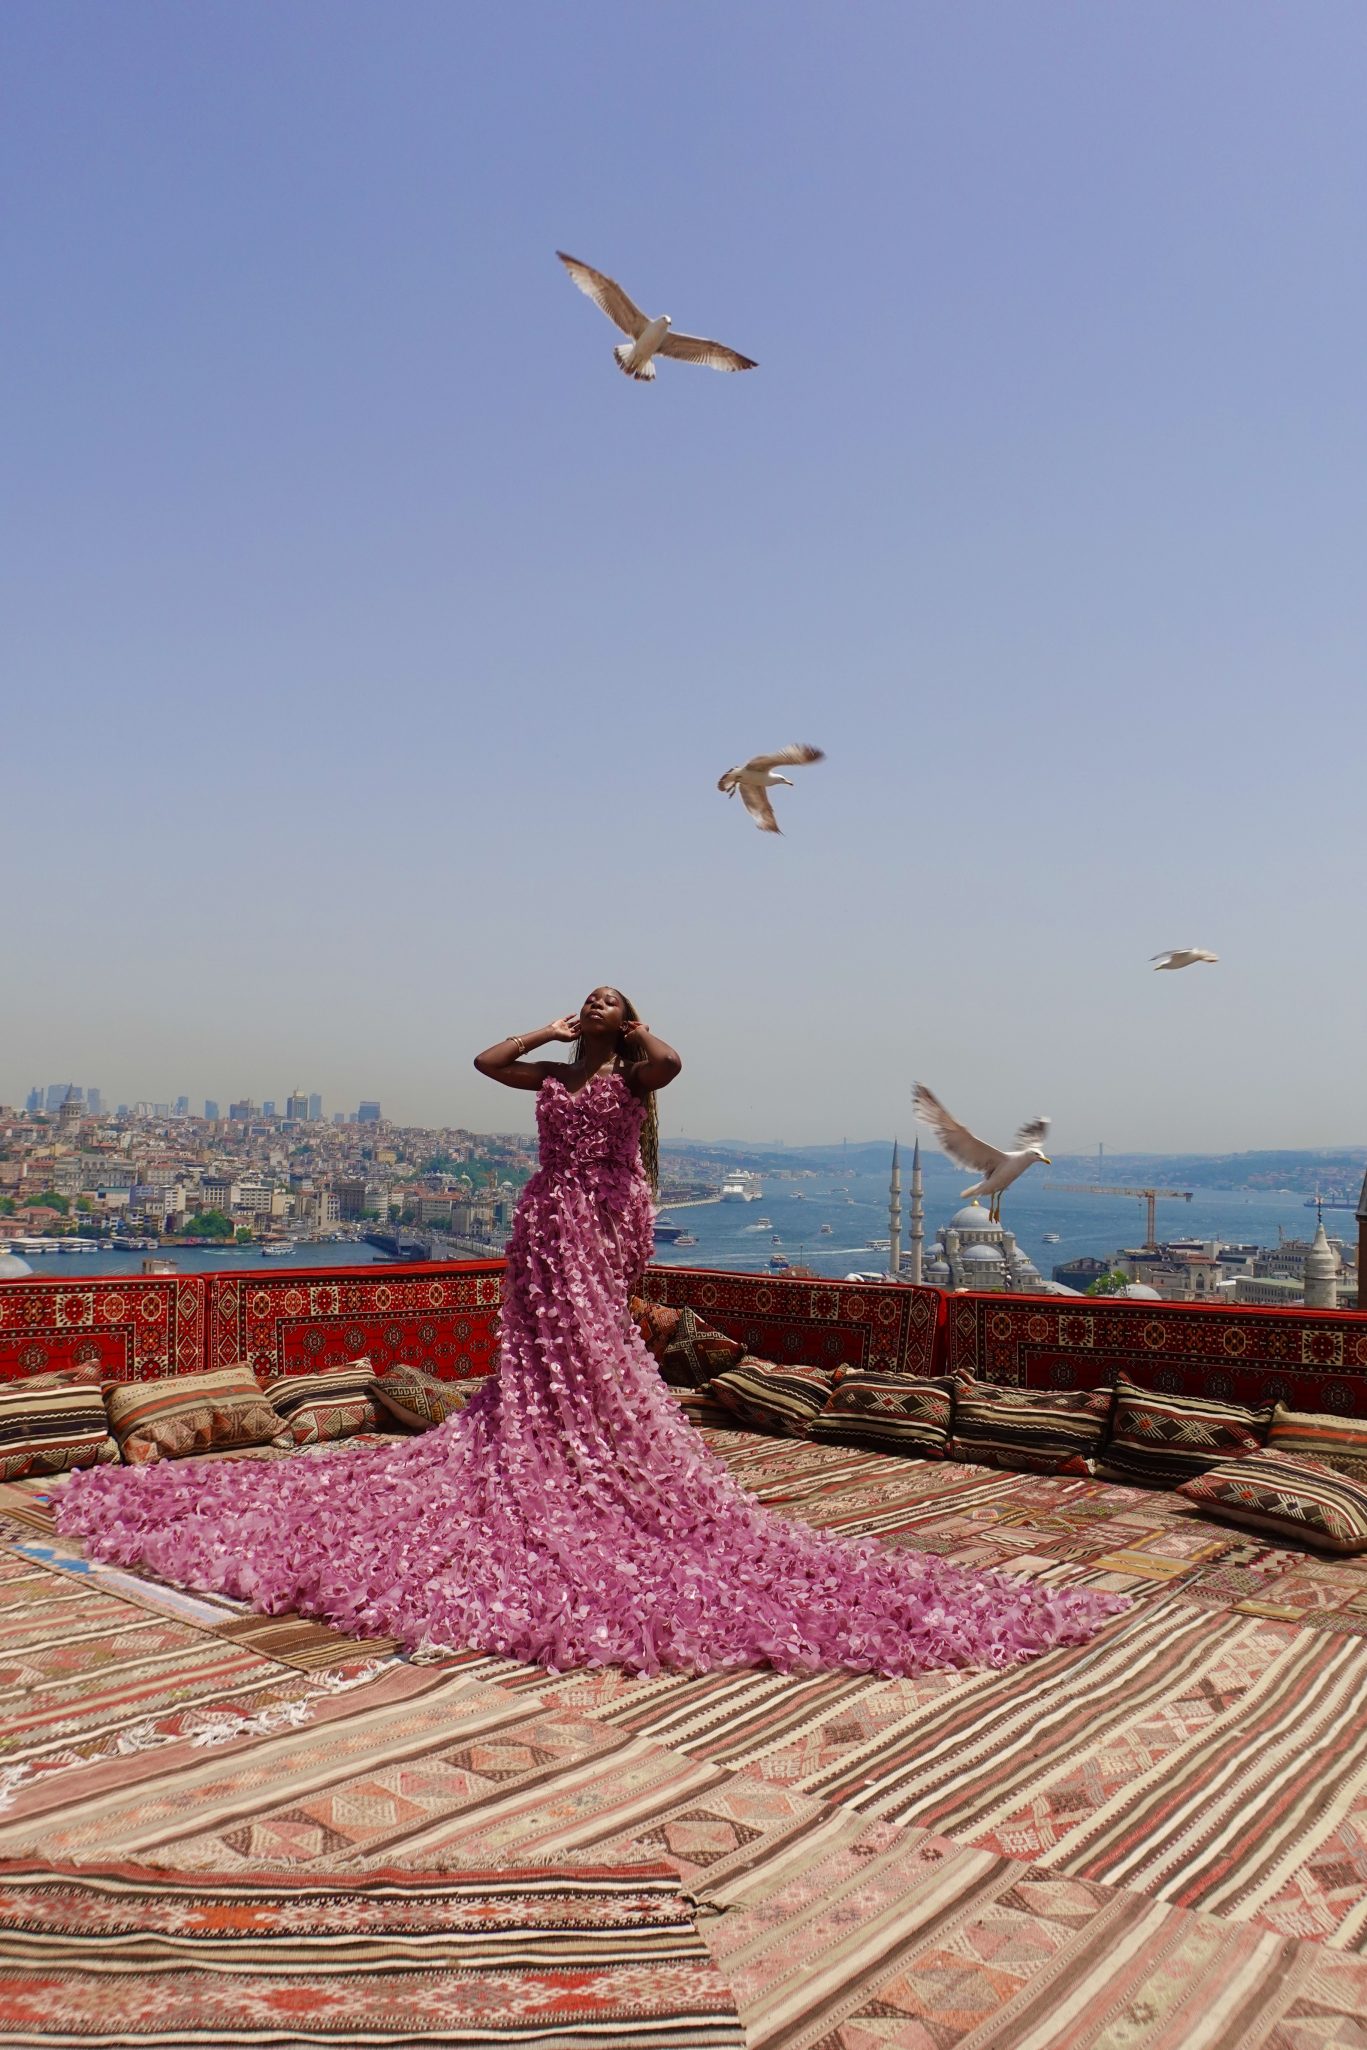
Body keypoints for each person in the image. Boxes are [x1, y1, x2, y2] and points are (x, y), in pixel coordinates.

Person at [58, 989, 1123, 1677]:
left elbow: (672, 1062)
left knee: (593, 1334)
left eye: (610, 999)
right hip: (547, 1210)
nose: (599, 1004)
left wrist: (628, 1025)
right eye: (594, 999)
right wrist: (550, 1027)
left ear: (626, 1021)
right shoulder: (560, 1072)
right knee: (544, 1339)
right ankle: (556, 1438)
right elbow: (486, 1062)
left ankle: (592, 1443)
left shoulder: (629, 1076)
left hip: (605, 1209)